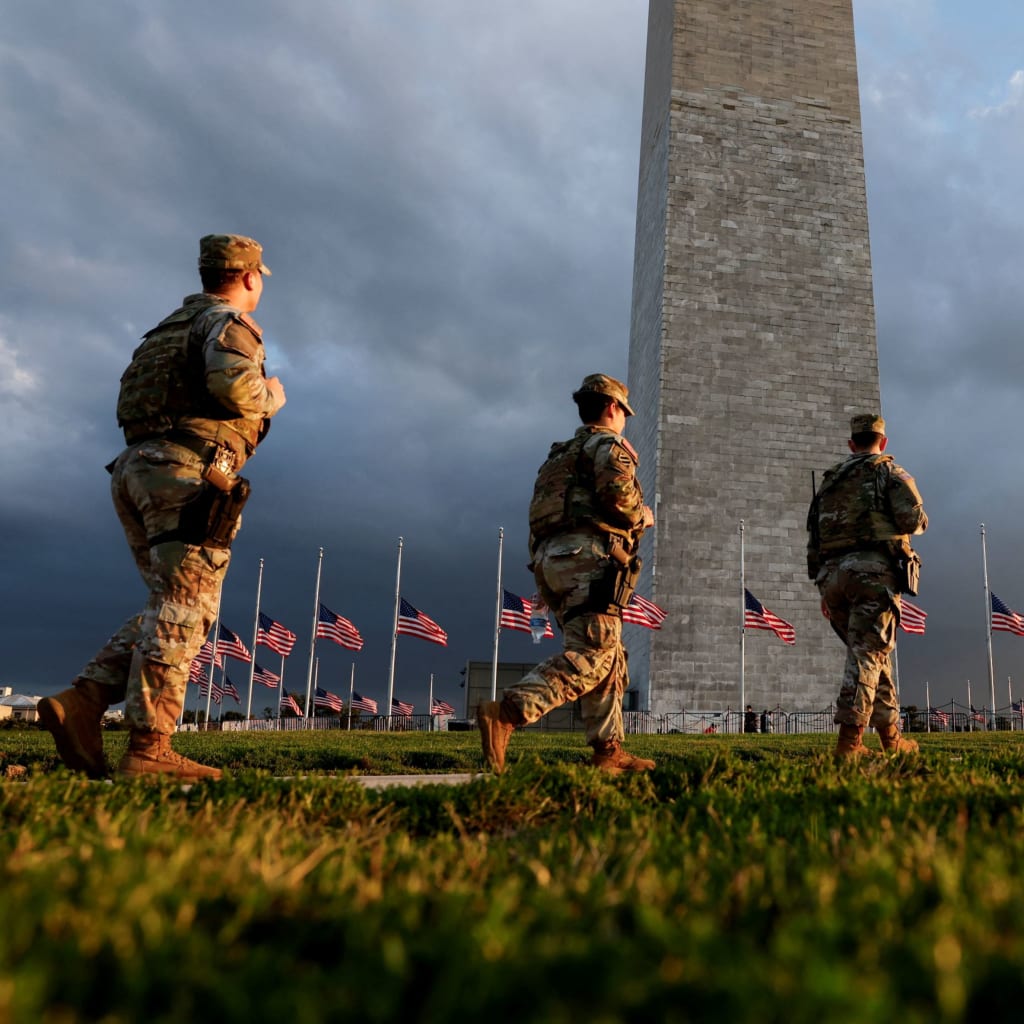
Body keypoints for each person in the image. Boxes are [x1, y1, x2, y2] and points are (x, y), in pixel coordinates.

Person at [38, 234, 286, 781]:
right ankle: (149, 747)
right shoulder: (227, 322)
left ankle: (84, 702)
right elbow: (236, 390)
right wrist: (272, 394)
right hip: (184, 472)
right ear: (250, 277)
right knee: (184, 609)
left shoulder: (167, 330)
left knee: (171, 601)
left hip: (137, 467)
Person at [477, 373, 656, 774]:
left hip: (551, 560)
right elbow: (619, 500)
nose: (624, 420)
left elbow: (541, 513)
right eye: (624, 412)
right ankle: (508, 712)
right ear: (612, 407)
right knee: (593, 653)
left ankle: (608, 753)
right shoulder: (607, 446)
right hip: (587, 559)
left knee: (610, 656)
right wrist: (642, 517)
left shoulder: (558, 457)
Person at [807, 414, 927, 759]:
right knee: (867, 657)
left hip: (832, 579)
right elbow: (913, 520)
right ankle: (849, 744)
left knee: (875, 657)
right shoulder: (889, 472)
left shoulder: (829, 482)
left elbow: (813, 536)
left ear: (851, 443)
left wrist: (823, 587)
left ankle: (892, 739)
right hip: (872, 576)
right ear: (882, 441)